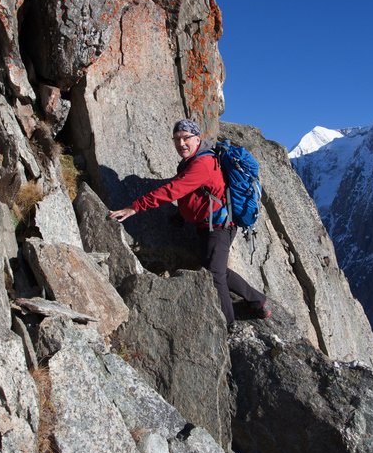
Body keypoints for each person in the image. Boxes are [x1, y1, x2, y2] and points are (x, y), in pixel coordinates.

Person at [109, 119, 270, 327]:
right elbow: (192, 191)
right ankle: (259, 302)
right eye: (177, 139)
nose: (181, 143)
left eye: (186, 138)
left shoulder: (202, 164)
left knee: (215, 274)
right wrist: (182, 214)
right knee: (217, 269)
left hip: (220, 227)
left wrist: (135, 207)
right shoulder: (193, 160)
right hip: (208, 226)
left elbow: (173, 190)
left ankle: (227, 325)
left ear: (197, 139)